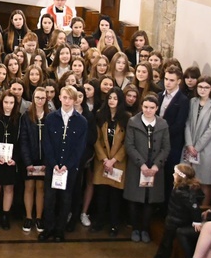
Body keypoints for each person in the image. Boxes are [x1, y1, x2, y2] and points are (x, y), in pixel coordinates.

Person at [39, 86, 87, 242]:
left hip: (69, 168)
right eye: (64, 97)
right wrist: (53, 163)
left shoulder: (81, 121)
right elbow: (46, 142)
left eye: (70, 98)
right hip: (53, 166)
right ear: (59, 98)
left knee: (66, 199)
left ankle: (60, 230)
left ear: (75, 100)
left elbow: (80, 147)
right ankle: (48, 228)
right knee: (50, 199)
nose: (67, 101)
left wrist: (68, 164)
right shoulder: (51, 118)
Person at [123, 95, 170, 243]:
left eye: (151, 108)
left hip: (155, 167)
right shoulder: (133, 122)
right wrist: (141, 164)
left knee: (150, 199)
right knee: (135, 199)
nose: (148, 110)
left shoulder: (162, 124)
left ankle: (145, 228)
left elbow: (166, 147)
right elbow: (129, 146)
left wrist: (156, 165)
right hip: (138, 166)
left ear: (156, 108)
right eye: (145, 107)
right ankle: (136, 228)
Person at [146, 164, 204, 258]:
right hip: (173, 218)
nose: (173, 175)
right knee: (165, 243)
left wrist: (197, 221)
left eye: (175, 173)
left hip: (176, 221)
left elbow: (194, 206)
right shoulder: (181, 188)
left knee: (166, 243)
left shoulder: (182, 192)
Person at [91, 87, 129, 237]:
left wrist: (114, 160)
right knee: (101, 194)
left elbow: (127, 143)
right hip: (102, 161)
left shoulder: (126, 117)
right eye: (110, 98)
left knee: (115, 196)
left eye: (115, 98)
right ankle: (99, 222)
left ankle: (114, 224)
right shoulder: (100, 116)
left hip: (118, 162)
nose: (112, 101)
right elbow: (96, 139)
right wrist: (105, 159)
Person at [0, 90, 21, 230]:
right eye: (6, 102)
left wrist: (15, 159)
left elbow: (20, 141)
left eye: (11, 103)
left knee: (9, 188)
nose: (8, 106)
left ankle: (6, 215)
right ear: (1, 103)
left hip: (11, 160)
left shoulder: (18, 118)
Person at [184, 76, 211, 205]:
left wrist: (197, 147)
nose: (203, 90)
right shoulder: (192, 101)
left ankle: (203, 209)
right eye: (200, 87)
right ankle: (189, 208)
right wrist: (189, 144)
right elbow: (187, 123)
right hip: (190, 146)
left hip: (206, 148)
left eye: (206, 87)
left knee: (205, 180)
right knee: (189, 180)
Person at [20, 87, 50, 233]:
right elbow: (23, 140)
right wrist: (27, 162)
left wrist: (46, 161)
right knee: (29, 187)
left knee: (40, 188)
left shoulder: (50, 116)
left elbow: (51, 141)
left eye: (42, 98)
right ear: (33, 98)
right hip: (30, 159)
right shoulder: (26, 116)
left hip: (44, 160)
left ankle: (39, 217)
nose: (40, 101)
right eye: (37, 98)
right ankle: (28, 216)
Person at [157, 65, 190, 201]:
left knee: (169, 176)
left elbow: (179, 124)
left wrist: (162, 135)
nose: (167, 83)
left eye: (171, 80)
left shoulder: (183, 100)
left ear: (179, 81)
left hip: (172, 143)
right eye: (166, 79)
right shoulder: (159, 96)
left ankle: (167, 208)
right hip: (156, 142)